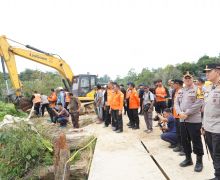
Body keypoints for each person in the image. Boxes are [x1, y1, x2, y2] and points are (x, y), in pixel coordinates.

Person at [175, 72, 204, 172]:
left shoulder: (198, 89)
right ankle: (188, 159)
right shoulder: (180, 91)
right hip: (182, 119)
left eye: (189, 78)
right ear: (183, 79)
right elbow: (176, 103)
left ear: (192, 78)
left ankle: (199, 162)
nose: (187, 79)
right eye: (185, 78)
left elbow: (199, 102)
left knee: (196, 141)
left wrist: (187, 113)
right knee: (185, 140)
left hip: (194, 120)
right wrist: (179, 113)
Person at [203, 64, 220, 180]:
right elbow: (207, 109)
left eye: (209, 71)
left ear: (218, 71)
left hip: (218, 129)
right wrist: (203, 125)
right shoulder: (210, 88)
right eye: (206, 71)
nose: (206, 73)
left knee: (217, 155)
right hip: (208, 127)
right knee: (214, 154)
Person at [172, 79, 185, 156]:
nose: (173, 85)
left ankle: (184, 148)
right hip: (175, 115)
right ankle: (179, 145)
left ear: (179, 84)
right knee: (178, 132)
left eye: (174, 84)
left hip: (181, 116)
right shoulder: (175, 92)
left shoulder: (182, 92)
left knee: (183, 133)